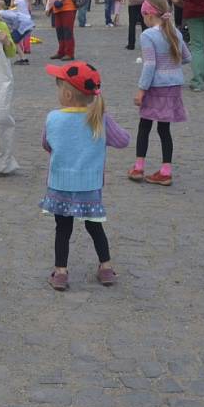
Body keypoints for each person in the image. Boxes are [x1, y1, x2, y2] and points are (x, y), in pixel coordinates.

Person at [41, 61, 130, 291]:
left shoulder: (53, 118)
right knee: (95, 226)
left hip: (60, 183)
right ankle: (106, 266)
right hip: (89, 185)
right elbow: (123, 141)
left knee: (63, 228)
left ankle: (60, 272)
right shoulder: (98, 118)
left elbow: (47, 144)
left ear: (68, 94)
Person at [127, 0, 190, 187]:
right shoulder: (175, 32)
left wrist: (141, 90)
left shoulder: (147, 35)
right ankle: (166, 171)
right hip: (173, 87)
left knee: (144, 126)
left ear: (148, 14)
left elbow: (149, 65)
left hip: (155, 86)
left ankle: (138, 167)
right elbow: (187, 57)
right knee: (164, 129)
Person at [0, 0, 34, 64]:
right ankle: (23, 56)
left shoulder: (2, 12)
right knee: (16, 40)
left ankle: (22, 58)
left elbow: (14, 17)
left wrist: (15, 28)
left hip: (23, 23)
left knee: (13, 40)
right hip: (28, 21)